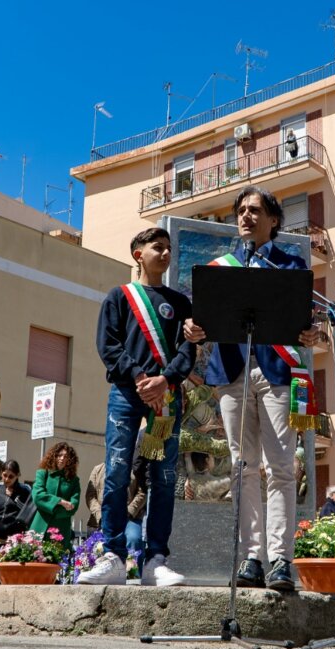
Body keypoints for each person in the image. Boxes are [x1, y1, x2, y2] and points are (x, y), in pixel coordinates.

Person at [183, 186, 321, 591]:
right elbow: (200, 322)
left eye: (254, 210)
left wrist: (312, 333)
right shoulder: (220, 268)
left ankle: (280, 560)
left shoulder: (292, 268)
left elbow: (307, 323)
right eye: (240, 211)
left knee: (280, 469)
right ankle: (251, 558)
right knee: (243, 469)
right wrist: (192, 329)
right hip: (231, 376)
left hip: (278, 375)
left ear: (273, 220)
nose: (245, 216)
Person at [80, 227, 194, 587]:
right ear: (137, 254)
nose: (165, 253)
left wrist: (166, 379)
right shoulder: (119, 297)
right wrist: (141, 377)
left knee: (162, 478)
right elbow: (108, 345)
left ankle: (155, 559)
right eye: (157, 247)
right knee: (116, 472)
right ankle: (113, 556)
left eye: (168, 248)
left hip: (165, 397)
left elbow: (187, 350)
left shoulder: (181, 303)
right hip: (127, 395)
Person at [85, 457, 148, 568]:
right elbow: (90, 496)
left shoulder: (134, 469)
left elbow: (142, 493)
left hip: (129, 518)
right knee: (95, 543)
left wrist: (129, 511)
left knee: (133, 538)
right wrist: (101, 515)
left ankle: (132, 575)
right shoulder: (98, 469)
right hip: (101, 519)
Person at [0, 460, 33, 583]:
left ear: (18, 475)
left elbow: (28, 513)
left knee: (10, 579)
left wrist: (14, 498)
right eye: (4, 475)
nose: (7, 479)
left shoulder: (25, 490)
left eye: (11, 476)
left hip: (13, 542)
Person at [30, 444, 80, 558]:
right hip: (40, 526)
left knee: (58, 565)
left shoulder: (74, 480)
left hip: (61, 528)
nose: (62, 458)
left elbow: (74, 505)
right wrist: (60, 502)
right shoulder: (43, 473)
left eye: (66, 456)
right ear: (54, 456)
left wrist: (52, 510)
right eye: (59, 455)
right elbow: (38, 496)